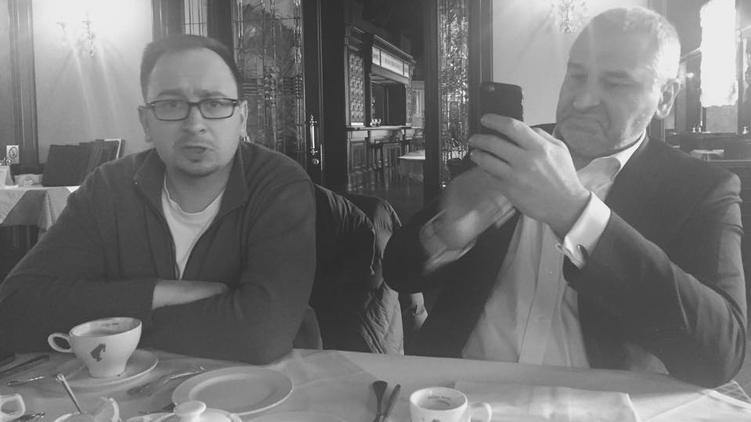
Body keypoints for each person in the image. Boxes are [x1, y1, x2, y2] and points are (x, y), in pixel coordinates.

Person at [383, 7, 747, 387]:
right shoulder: (511, 148)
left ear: (665, 97)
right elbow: (398, 272)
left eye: (616, 84)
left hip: (599, 402)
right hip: (457, 393)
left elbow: (720, 355)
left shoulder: (699, 189)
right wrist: (445, 233)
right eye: (577, 75)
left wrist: (576, 214)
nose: (584, 100)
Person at [0, 34, 319, 364]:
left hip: (270, 384)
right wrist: (162, 292)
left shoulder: (278, 184)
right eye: (171, 105)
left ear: (242, 117)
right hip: (129, 388)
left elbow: (262, 335)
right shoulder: (108, 189)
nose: (195, 125)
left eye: (215, 104)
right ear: (146, 122)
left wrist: (116, 325)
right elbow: (14, 308)